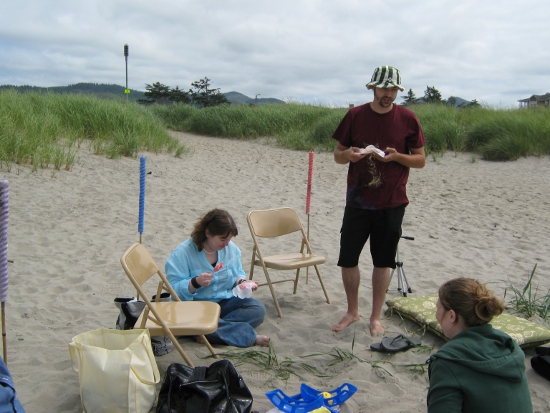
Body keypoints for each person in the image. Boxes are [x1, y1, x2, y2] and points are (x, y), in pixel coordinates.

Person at [331, 65, 426, 336]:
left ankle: (375, 316)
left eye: (394, 89)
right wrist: (348, 154)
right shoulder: (355, 115)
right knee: (348, 259)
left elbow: (420, 160)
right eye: (384, 88)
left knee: (382, 261)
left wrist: (397, 157)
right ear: (373, 87)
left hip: (392, 201)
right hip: (358, 201)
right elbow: (338, 154)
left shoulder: (408, 118)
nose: (389, 94)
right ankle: (352, 311)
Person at [165, 208, 269, 348]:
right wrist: (195, 283)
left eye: (229, 239)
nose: (226, 244)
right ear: (208, 233)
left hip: (222, 302)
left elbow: (237, 272)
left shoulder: (232, 250)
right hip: (196, 307)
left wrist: (242, 282)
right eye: (222, 239)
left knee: (257, 309)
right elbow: (173, 290)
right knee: (197, 318)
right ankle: (245, 336)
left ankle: (206, 330)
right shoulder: (183, 253)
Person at [427, 278, 532, 412]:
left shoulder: (448, 362)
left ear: (452, 315)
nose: (436, 315)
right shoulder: (508, 345)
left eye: (438, 308)